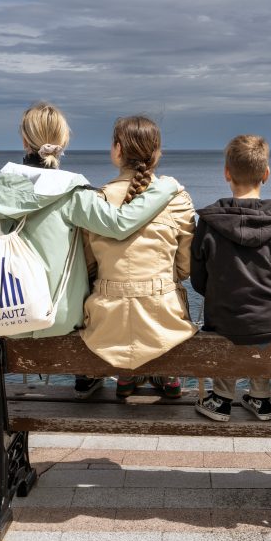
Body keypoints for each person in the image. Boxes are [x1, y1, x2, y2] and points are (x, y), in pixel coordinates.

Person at [0, 102, 183, 399]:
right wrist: (164, 188)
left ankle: (88, 378)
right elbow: (119, 224)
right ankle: (93, 375)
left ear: (25, 140)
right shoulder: (71, 192)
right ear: (63, 142)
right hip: (57, 317)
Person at [80, 116, 197, 397]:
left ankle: (125, 376)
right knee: (167, 299)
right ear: (157, 153)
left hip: (107, 325)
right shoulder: (178, 200)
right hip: (164, 322)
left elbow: (88, 267)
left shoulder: (97, 201)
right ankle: (167, 376)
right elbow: (185, 267)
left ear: (117, 150)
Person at [191, 134, 271, 422]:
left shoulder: (210, 222)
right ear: (266, 174)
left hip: (223, 319)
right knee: (262, 321)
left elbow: (198, 279)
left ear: (227, 173)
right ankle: (261, 398)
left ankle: (222, 399)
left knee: (228, 322)